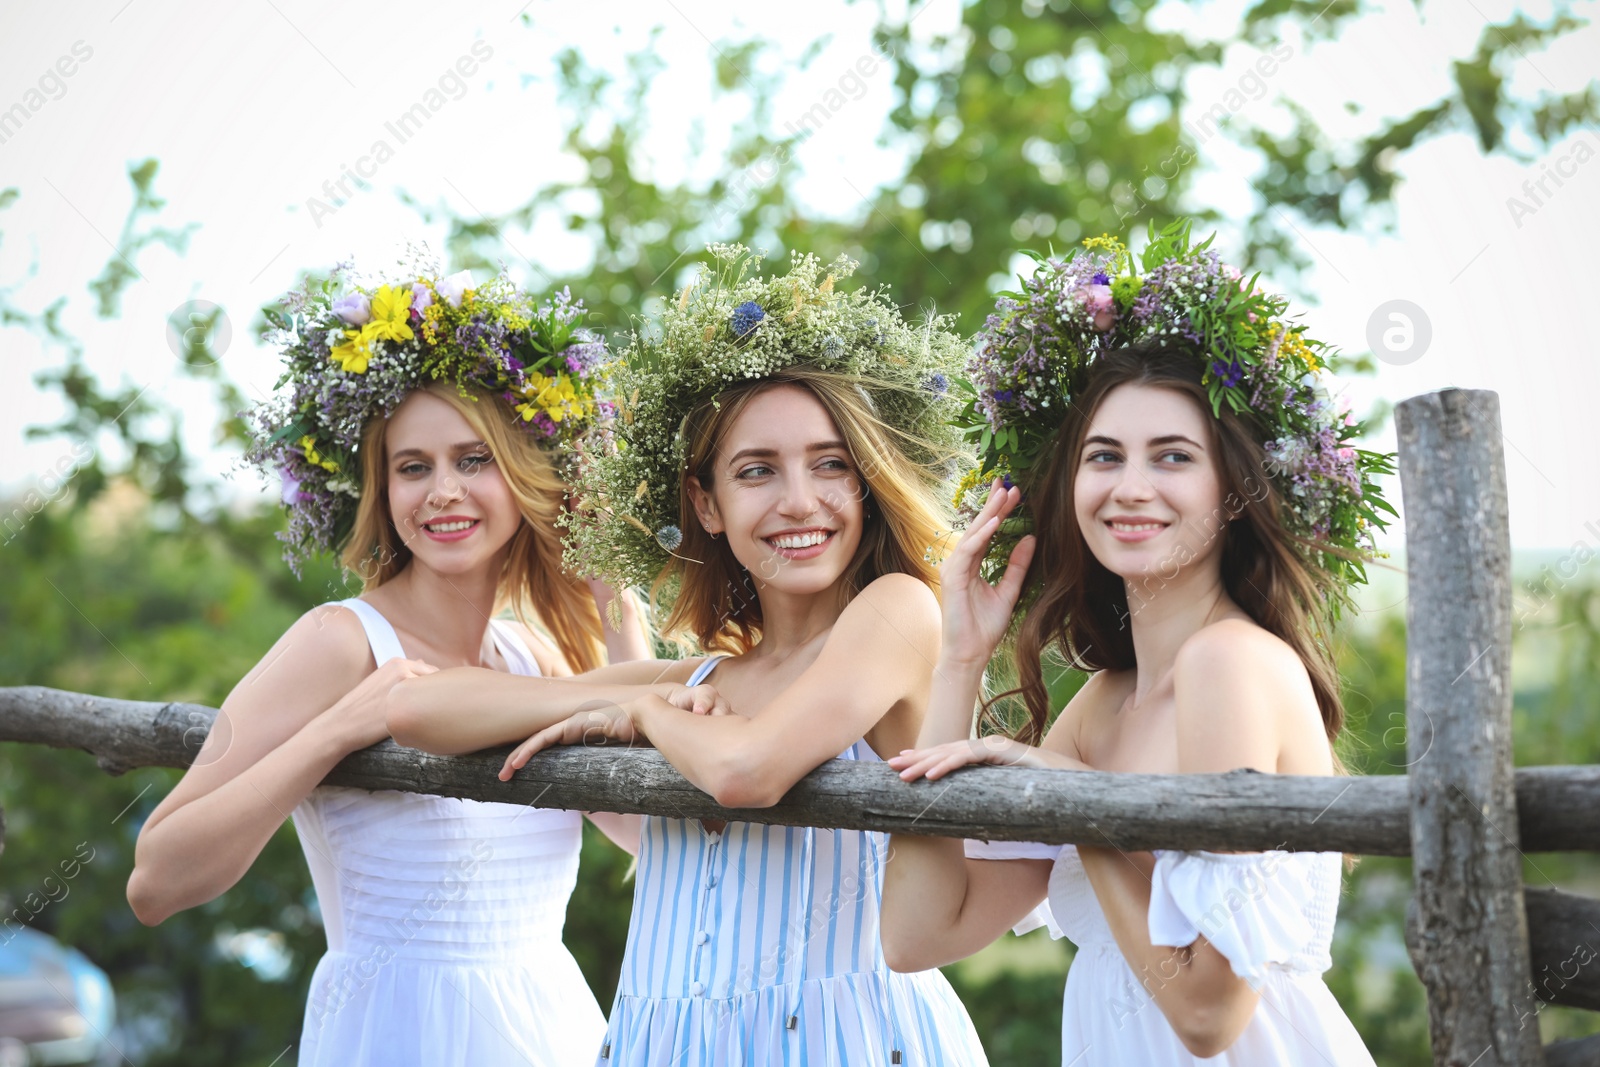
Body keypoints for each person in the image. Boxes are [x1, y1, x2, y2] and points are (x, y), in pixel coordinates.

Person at [387, 247, 992, 1065]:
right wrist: (621, 697)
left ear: (866, 484)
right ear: (707, 504)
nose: (798, 501)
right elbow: (420, 710)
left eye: (830, 466)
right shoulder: (705, 678)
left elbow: (748, 770)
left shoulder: (896, 613)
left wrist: (640, 712)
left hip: (845, 1041)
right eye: (756, 471)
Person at [879, 221, 1387, 1064]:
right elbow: (914, 934)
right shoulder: (1104, 706)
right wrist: (960, 658)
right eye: (1105, 456)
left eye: (1174, 456)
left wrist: (1076, 798)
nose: (1132, 488)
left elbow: (1206, 1014)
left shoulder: (1231, 663)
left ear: (1234, 490)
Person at [126, 265, 647, 1066]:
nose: (443, 491)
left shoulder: (533, 655)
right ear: (382, 488)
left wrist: (620, 604)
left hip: (552, 1033)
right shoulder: (339, 641)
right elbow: (157, 879)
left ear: (522, 473)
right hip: (393, 1036)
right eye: (413, 466)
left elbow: (652, 831)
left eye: (474, 458)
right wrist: (340, 728)